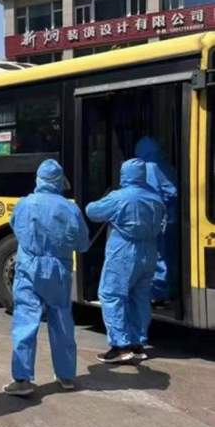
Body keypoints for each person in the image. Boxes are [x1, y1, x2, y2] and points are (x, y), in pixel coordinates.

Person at [3, 160, 89, 397]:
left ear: (38, 179)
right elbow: (83, 243)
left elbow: (15, 227)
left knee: (25, 321)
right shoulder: (70, 208)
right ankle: (66, 375)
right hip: (58, 271)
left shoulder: (24, 204)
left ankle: (22, 380)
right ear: (60, 181)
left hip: (28, 268)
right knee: (61, 321)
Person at [86, 158, 165, 363]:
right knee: (140, 298)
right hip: (149, 252)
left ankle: (120, 346)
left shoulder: (120, 197)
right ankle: (138, 344)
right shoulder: (155, 198)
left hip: (124, 252)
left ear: (125, 174)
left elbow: (92, 212)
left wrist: (103, 199)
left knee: (111, 295)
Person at [134, 136, 178, 304]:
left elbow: (151, 196)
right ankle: (168, 288)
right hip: (170, 217)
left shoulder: (149, 168)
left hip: (159, 219)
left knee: (158, 254)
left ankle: (158, 292)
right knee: (168, 254)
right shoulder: (164, 165)